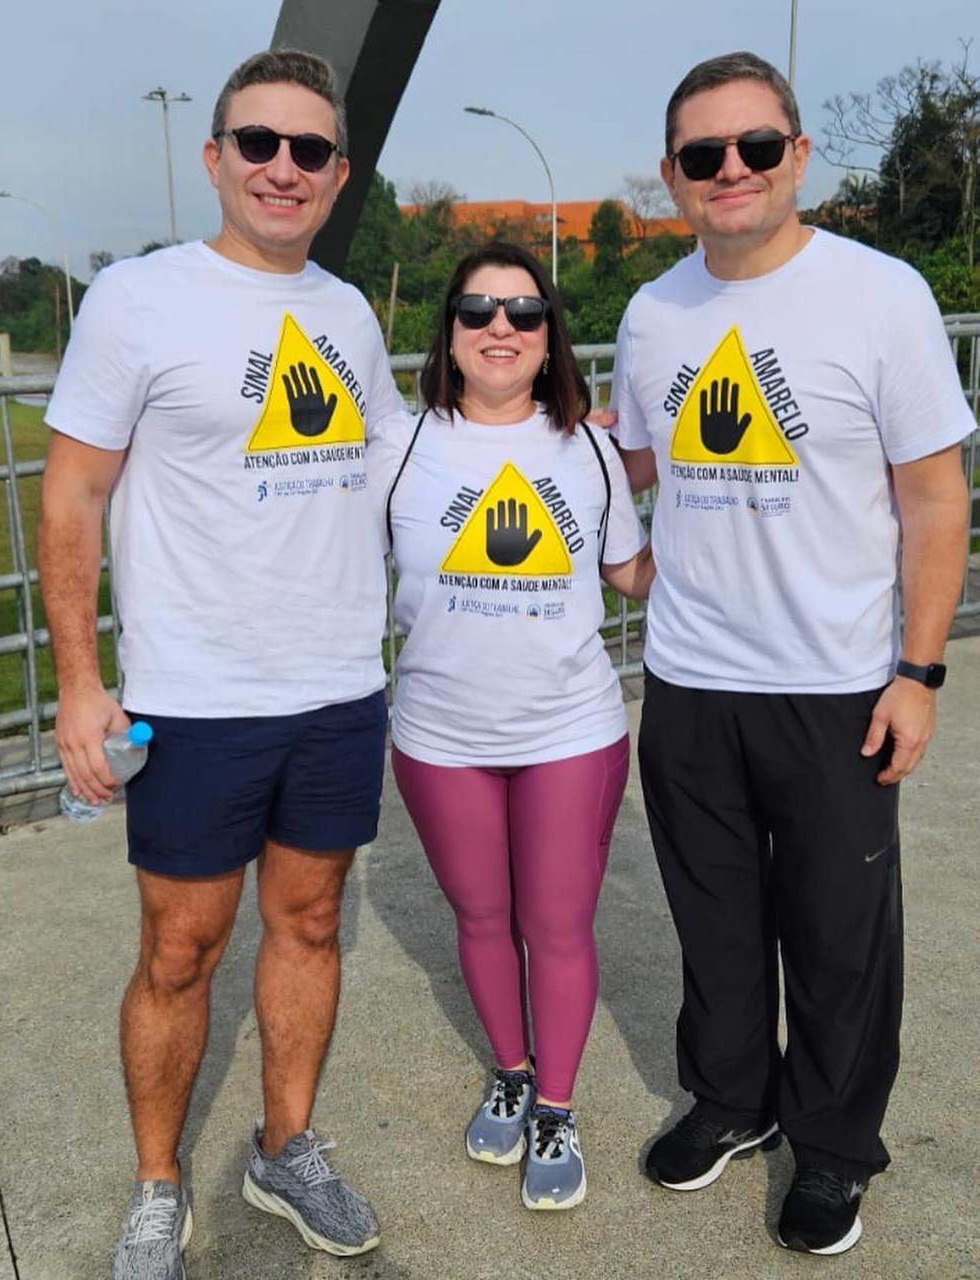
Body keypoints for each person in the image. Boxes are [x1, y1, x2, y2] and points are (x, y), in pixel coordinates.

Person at [38, 48, 408, 1276]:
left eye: (310, 150)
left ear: (338, 174)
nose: (283, 168)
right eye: (259, 143)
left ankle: (285, 1144)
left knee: (309, 925)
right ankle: (158, 1184)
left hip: (338, 689)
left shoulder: (346, 313)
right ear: (215, 158)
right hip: (195, 700)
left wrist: (581, 446)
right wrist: (81, 683)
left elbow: (402, 466)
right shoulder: (139, 301)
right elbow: (73, 496)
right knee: (180, 949)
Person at [610, 51, 973, 1255]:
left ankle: (831, 1146)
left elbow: (932, 500)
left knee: (834, 931)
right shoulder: (654, 313)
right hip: (691, 678)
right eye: (704, 155)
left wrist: (915, 673)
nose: (731, 171)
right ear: (673, 177)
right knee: (712, 922)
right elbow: (636, 468)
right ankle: (731, 1099)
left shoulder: (879, 297)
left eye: (754, 147)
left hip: (835, 683)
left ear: (797, 158)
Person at [371, 241, 654, 1211]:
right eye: (479, 310)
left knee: (557, 921)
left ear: (549, 339)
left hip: (568, 729)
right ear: (447, 333)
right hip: (439, 734)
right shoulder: (397, 448)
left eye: (524, 313)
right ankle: (511, 1066)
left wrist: (764, 543)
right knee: (482, 915)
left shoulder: (592, 452)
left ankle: (557, 1107)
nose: (501, 327)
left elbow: (633, 572)